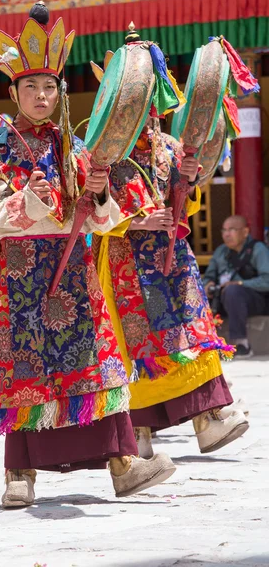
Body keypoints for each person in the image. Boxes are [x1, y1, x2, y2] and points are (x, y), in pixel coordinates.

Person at [0, 0, 175, 509]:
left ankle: (123, 464)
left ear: (61, 92)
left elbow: (101, 218)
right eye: (31, 87)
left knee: (99, 364)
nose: (42, 95)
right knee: (24, 373)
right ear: (13, 93)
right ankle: (20, 474)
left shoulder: (72, 146)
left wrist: (95, 192)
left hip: (74, 274)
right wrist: (29, 200)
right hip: (23, 277)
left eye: (50, 87)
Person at [95, 113, 249, 459]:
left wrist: (191, 183)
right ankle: (139, 433)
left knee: (193, 331)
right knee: (141, 347)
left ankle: (207, 419)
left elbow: (186, 201)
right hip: (127, 260)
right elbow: (94, 209)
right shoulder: (106, 149)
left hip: (173, 255)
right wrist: (138, 221)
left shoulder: (170, 147)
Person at [203, 215, 269, 358]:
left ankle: (242, 344)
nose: (227, 234)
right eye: (224, 230)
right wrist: (208, 285)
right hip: (222, 299)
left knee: (233, 290)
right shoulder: (221, 251)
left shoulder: (258, 249)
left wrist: (241, 284)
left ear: (245, 232)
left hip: (253, 300)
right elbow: (208, 277)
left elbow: (267, 280)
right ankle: (202, 344)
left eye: (232, 229)